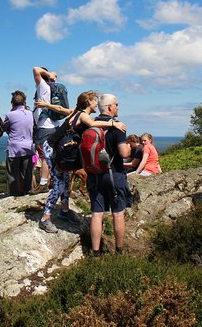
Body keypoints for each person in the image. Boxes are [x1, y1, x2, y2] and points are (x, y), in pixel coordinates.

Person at [35, 91, 126, 234]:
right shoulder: (83, 115)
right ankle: (45, 218)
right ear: (89, 102)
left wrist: (46, 105)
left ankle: (64, 211)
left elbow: (60, 110)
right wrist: (114, 124)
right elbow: (93, 123)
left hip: (55, 148)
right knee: (59, 184)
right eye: (95, 101)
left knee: (64, 180)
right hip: (51, 149)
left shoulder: (76, 112)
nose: (97, 103)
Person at [88, 94, 132, 256]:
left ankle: (96, 254)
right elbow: (122, 152)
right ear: (109, 107)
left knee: (97, 214)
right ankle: (119, 252)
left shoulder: (90, 124)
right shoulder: (118, 127)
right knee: (118, 213)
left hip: (94, 174)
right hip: (114, 174)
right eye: (116, 104)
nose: (118, 107)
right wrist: (128, 148)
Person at [3, 91, 34, 196]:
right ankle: (28, 192)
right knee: (27, 173)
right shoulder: (30, 113)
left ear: (12, 103)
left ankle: (14, 195)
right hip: (28, 146)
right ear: (24, 102)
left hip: (14, 148)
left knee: (12, 174)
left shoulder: (10, 115)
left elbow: (4, 128)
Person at [32, 67, 59, 189]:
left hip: (45, 126)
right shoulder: (52, 88)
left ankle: (43, 183)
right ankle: (50, 181)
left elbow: (35, 69)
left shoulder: (43, 86)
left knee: (45, 155)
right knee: (50, 154)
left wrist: (49, 74)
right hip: (54, 124)